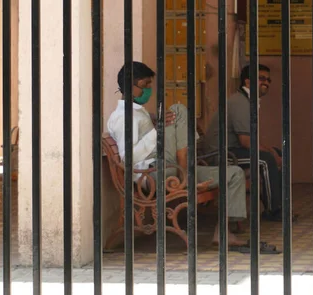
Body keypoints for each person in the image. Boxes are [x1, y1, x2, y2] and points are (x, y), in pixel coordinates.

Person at [107, 61, 278, 253]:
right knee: (179, 110)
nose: (149, 90)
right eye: (145, 85)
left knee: (234, 174)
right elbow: (127, 158)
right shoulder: (122, 116)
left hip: (171, 169)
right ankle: (186, 175)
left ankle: (223, 233)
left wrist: (157, 123)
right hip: (152, 174)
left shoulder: (140, 112)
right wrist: (157, 130)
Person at [204, 64, 297, 222]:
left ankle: (279, 205)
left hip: (235, 150)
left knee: (276, 154)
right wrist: (270, 154)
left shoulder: (248, 101)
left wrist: (273, 152)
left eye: (268, 79)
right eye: (261, 78)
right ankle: (273, 210)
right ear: (247, 82)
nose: (266, 83)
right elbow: (246, 141)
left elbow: (251, 139)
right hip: (222, 154)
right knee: (266, 160)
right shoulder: (240, 102)